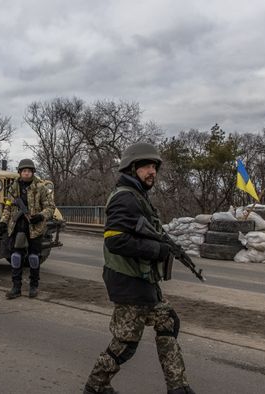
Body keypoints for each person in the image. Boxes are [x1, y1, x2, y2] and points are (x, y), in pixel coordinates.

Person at [83, 143, 195, 394]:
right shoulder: (125, 197)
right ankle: (95, 386)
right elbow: (115, 239)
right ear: (132, 168)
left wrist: (167, 243)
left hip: (140, 278)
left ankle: (178, 386)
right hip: (128, 280)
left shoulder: (138, 196)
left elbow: (147, 231)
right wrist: (158, 250)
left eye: (154, 166)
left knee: (168, 321)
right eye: (146, 166)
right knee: (125, 343)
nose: (151, 171)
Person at [0, 159, 55, 299]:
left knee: (34, 258)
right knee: (16, 257)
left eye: (29, 171)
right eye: (24, 171)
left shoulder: (40, 187)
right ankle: (16, 287)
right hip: (18, 227)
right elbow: (8, 206)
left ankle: (33, 286)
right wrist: (3, 221)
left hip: (35, 228)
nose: (26, 173)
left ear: (32, 172)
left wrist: (40, 216)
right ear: (20, 172)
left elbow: (50, 207)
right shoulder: (13, 187)